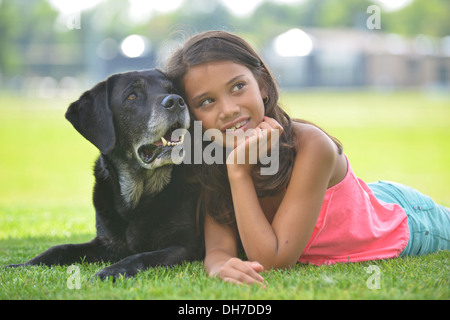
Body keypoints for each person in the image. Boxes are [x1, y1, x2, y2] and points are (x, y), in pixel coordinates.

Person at [165, 30, 450, 286]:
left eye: (238, 86)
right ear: (192, 117)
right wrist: (219, 266)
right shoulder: (213, 157)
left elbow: (275, 261)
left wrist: (239, 173)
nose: (228, 110)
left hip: (406, 218)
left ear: (262, 84)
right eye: (206, 101)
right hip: (359, 199)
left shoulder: (312, 146)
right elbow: (218, 249)